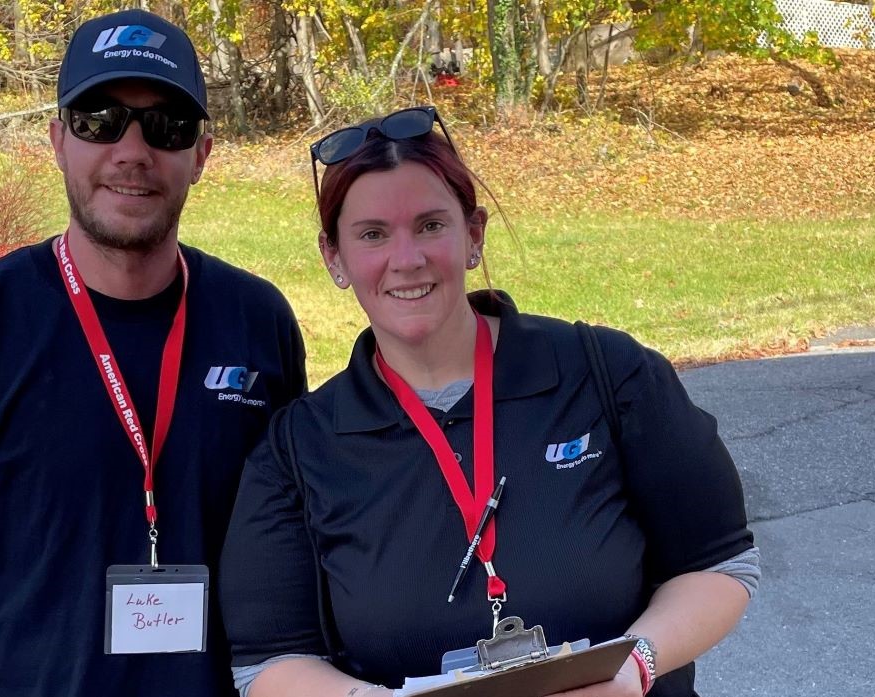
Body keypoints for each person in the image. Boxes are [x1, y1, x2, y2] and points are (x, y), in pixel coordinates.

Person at [219, 106, 758, 697]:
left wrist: (636, 668)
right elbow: (266, 661)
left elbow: (719, 563)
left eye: (430, 225)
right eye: (373, 234)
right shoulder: (299, 450)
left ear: (473, 235)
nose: (407, 259)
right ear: (334, 258)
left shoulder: (607, 373)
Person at [0, 10, 306, 697]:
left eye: (166, 126)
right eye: (101, 119)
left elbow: (295, 551)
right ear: (59, 140)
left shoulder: (257, 321)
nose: (132, 150)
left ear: (201, 155)